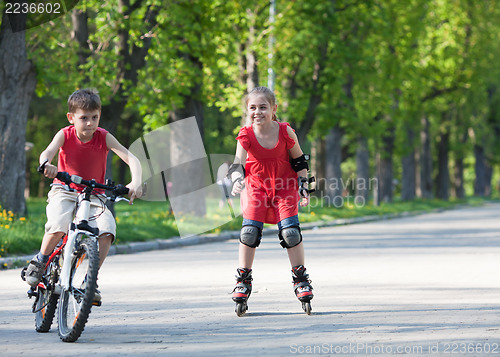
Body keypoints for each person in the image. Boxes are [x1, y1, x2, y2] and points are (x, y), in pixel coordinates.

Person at [24, 88, 143, 303]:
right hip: (65, 189)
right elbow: (47, 152)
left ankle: (90, 279)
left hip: (94, 193)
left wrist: (136, 181)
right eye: (84, 118)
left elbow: (131, 158)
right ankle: (40, 261)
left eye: (95, 117)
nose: (90, 123)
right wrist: (46, 164)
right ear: (71, 118)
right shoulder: (65, 134)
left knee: (107, 230)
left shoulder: (104, 137)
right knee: (59, 223)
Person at [229, 86, 314, 311]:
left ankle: (300, 278)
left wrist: (304, 187)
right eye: (253, 107)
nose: (258, 112)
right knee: (249, 232)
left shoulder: (286, 132)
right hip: (256, 187)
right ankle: (243, 280)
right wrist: (237, 179)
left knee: (291, 232)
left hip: (284, 187)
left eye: (263, 107)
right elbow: (238, 164)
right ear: (247, 110)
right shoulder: (245, 134)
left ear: (273, 109)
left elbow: (299, 162)